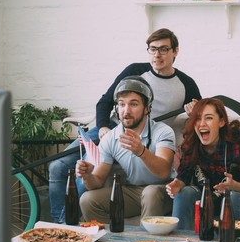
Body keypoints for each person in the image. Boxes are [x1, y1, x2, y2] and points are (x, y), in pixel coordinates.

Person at [49, 28, 201, 223]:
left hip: (145, 132)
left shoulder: (186, 84)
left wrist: (194, 113)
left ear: (175, 52)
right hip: (111, 128)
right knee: (57, 167)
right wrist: (104, 127)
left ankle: (66, 223)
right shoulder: (134, 71)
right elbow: (104, 102)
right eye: (152, 49)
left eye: (163, 49)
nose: (157, 55)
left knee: (82, 179)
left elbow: (200, 117)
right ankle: (58, 223)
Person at [75, 76, 176, 223]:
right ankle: (115, 237)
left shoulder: (163, 131)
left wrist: (141, 151)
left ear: (147, 108)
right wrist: (87, 175)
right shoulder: (111, 137)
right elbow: (96, 182)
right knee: (87, 200)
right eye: (121, 104)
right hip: (132, 192)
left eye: (133, 104)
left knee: (150, 193)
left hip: (163, 190)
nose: (126, 111)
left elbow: (164, 171)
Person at [165, 98, 240, 230]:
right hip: (204, 196)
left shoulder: (238, 139)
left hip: (234, 195)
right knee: (184, 193)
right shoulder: (191, 140)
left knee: (232, 199)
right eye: (197, 119)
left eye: (208, 118)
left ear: (221, 122)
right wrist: (177, 184)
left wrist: (233, 185)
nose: (202, 124)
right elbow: (184, 175)